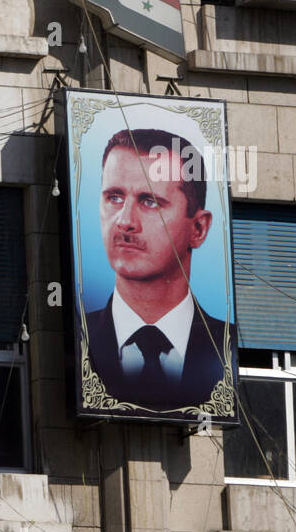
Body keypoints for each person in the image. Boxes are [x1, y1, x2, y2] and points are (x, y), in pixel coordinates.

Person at [82, 128, 232, 411]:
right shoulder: (77, 337)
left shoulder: (227, 347)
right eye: (114, 197)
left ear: (198, 228)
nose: (125, 221)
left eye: (150, 202)